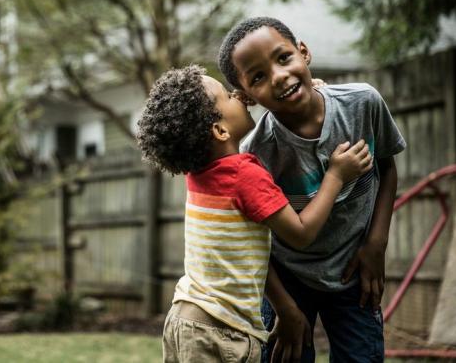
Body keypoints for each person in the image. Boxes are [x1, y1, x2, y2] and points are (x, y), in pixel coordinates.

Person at [136, 65, 373, 363]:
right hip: (222, 331)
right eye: (227, 95)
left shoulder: (198, 171)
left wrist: (301, 94)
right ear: (220, 131)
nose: (238, 95)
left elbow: (256, 255)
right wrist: (337, 175)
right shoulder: (243, 176)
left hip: (185, 317)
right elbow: (301, 234)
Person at [217, 17, 407, 362]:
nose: (278, 76)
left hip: (353, 270)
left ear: (303, 52)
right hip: (286, 283)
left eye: (283, 58)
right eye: (258, 76)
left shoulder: (363, 103)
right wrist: (285, 310)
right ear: (245, 95)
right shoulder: (255, 154)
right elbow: (254, 242)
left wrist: (376, 244)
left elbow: (387, 167)